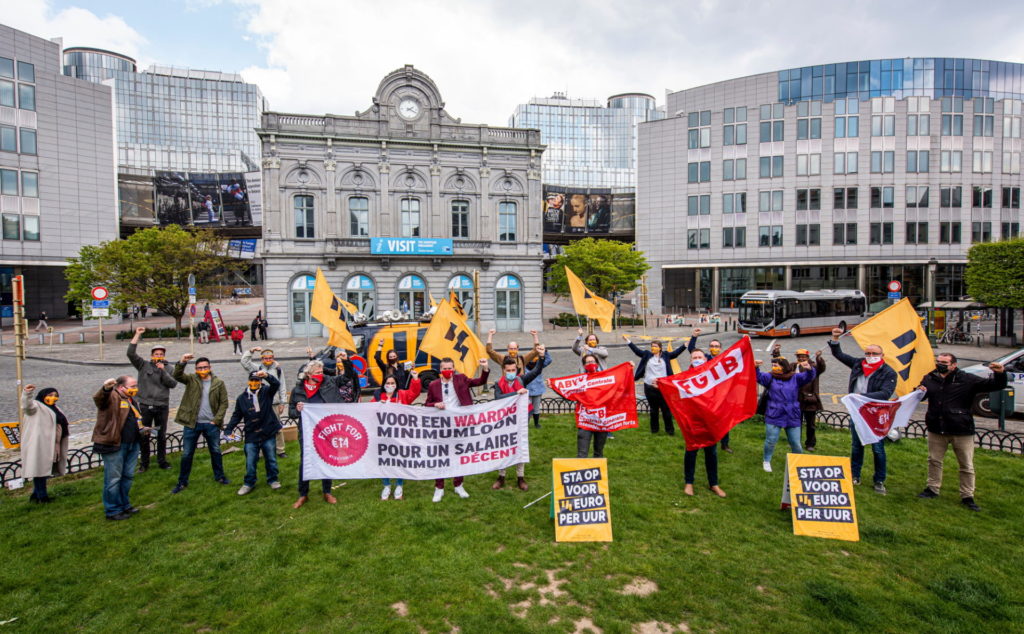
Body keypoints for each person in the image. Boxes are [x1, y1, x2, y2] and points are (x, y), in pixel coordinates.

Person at [916, 353, 1007, 511]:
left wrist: (1000, 374)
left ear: (954, 365)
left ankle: (967, 495)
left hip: (961, 428)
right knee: (934, 460)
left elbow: (994, 385)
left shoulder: (967, 379)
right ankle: (932, 488)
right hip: (937, 427)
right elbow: (921, 395)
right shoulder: (930, 378)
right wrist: (919, 390)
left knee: (966, 464)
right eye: (938, 361)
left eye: (944, 362)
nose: (940, 364)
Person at [828, 328, 897, 494]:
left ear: (882, 355)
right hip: (858, 412)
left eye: (874, 353)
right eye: (868, 352)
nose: (870, 355)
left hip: (875, 415)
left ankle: (879, 480)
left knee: (878, 449)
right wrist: (835, 338)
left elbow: (886, 393)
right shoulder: (859, 364)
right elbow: (840, 355)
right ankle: (854, 475)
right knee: (856, 446)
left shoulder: (888, 372)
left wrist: (862, 396)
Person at [425, 357, 489, 502]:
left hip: (460, 425)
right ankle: (439, 488)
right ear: (440, 370)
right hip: (441, 425)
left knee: (459, 455)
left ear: (454, 369)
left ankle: (458, 484)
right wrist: (435, 404)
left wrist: (485, 368)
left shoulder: (461, 379)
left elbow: (480, 382)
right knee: (440, 456)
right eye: (444, 368)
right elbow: (426, 404)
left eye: (450, 368)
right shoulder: (433, 385)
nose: (447, 371)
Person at [170, 354, 229, 494]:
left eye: (205, 367)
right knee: (187, 454)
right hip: (192, 423)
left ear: (210, 368)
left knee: (215, 450)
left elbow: (224, 403)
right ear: (196, 369)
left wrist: (217, 420)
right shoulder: (191, 379)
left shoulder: (218, 383)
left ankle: (220, 476)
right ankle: (182, 482)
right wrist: (182, 362)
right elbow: (177, 375)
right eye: (199, 368)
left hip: (211, 424)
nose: (202, 369)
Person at [490, 355, 549, 491]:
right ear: (503, 370)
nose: (511, 372)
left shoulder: (521, 380)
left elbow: (536, 371)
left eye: (513, 370)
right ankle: (501, 476)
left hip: (519, 420)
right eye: (508, 370)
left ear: (516, 370)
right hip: (505, 421)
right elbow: (498, 398)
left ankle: (520, 477)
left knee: (520, 446)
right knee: (503, 448)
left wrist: (540, 357)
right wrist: (516, 393)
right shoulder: (499, 384)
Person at [92, 375, 145, 520]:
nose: (135, 389)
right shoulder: (112, 397)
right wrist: (106, 388)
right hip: (115, 443)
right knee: (113, 478)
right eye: (132, 386)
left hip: (132, 443)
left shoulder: (130, 399)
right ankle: (113, 510)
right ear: (121, 387)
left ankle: (124, 504)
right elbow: (100, 400)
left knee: (127, 475)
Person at [126, 327, 177, 471]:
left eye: (161, 354)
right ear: (151, 355)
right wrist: (137, 334)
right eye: (156, 353)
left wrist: (162, 370)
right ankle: (144, 463)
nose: (158, 355)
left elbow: (172, 384)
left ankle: (162, 461)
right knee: (144, 435)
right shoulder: (143, 365)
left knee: (161, 435)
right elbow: (130, 353)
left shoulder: (169, 368)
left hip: (162, 406)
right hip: (145, 406)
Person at [224, 370, 282, 495]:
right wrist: (229, 429)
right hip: (252, 433)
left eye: (257, 380)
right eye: (252, 380)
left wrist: (267, 375)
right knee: (250, 460)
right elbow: (236, 415)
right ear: (248, 381)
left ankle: (273, 479)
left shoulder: (266, 392)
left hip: (267, 431)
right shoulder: (242, 398)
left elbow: (276, 384)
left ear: (261, 382)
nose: (254, 382)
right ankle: (249, 483)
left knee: (271, 458)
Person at [289, 360, 337, 508]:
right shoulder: (298, 390)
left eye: (321, 372)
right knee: (306, 461)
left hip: (325, 430)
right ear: (308, 375)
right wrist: (297, 409)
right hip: (307, 431)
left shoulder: (326, 385)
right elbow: (291, 413)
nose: (320, 375)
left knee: (326, 458)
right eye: (317, 373)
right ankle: (303, 494)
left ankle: (327, 491)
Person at [757, 357, 817, 473]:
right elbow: (758, 377)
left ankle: (798, 463)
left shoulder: (795, 377)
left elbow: (809, 377)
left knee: (795, 442)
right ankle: (766, 460)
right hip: (774, 413)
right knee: (771, 440)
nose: (774, 367)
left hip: (792, 414)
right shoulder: (770, 377)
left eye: (777, 365)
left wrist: (809, 369)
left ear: (784, 366)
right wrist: (755, 367)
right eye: (773, 365)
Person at [680, 349, 726, 497]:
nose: (697, 359)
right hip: (692, 421)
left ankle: (714, 484)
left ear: (705, 359)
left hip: (709, 420)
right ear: (690, 360)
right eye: (695, 357)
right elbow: (673, 389)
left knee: (711, 453)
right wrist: (659, 385)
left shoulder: (713, 376)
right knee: (691, 452)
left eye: (700, 357)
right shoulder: (685, 377)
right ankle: (689, 483)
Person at [624, 335, 688, 435]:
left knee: (666, 410)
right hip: (649, 387)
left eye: (655, 346)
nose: (653, 348)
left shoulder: (666, 355)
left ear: (660, 348)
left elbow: (676, 353)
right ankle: (654, 430)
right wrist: (628, 341)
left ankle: (670, 430)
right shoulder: (646, 355)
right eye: (652, 346)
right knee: (653, 410)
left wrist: (684, 345)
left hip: (663, 387)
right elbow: (636, 351)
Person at [373, 371, 422, 500]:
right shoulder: (378, 396)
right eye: (388, 383)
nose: (390, 385)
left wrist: (415, 379)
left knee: (399, 459)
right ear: (384, 384)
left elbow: (414, 392)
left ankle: (399, 485)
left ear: (396, 384)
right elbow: (369, 411)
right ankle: (386, 485)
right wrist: (377, 406)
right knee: (384, 461)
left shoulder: (402, 395)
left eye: (392, 383)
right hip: (383, 435)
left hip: (400, 434)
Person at [20, 385, 69, 503]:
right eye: (50, 395)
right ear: (43, 396)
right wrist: (27, 393)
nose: (53, 398)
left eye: (55, 396)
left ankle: (35, 495)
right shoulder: (36, 406)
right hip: (39, 445)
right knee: (39, 470)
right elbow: (27, 406)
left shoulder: (55, 408)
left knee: (43, 470)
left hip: (52, 444)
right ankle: (42, 496)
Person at [688, 328, 732, 452]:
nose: (714, 348)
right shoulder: (705, 358)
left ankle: (725, 444)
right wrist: (694, 336)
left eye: (716, 346)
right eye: (712, 346)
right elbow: (692, 350)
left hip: (721, 395)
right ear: (709, 348)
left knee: (724, 421)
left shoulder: (725, 359)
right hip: (706, 395)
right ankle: (705, 441)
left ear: (720, 348)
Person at [241, 346, 289, 457]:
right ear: (262, 359)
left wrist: (283, 402)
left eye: (270, 358)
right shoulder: (256, 368)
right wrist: (251, 351)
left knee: (277, 427)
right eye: (265, 358)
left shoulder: (278, 369)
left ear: (273, 358)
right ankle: (262, 451)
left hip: (274, 403)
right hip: (260, 403)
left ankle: (280, 450)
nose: (268, 360)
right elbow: (244, 362)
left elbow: (282, 386)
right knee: (260, 427)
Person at [795, 348, 826, 452]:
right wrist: (777, 353)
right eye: (799, 356)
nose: (801, 358)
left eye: (803, 356)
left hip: (810, 400)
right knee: (796, 424)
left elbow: (822, 367)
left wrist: (818, 358)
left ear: (808, 357)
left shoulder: (814, 367)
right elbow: (782, 366)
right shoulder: (795, 366)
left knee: (811, 425)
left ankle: (810, 444)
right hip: (797, 400)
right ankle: (796, 442)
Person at [524, 344, 552, 429]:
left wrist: (545, 351)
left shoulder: (539, 364)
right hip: (527, 390)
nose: (533, 358)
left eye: (535, 356)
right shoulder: (524, 365)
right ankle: (526, 424)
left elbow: (549, 360)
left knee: (536, 408)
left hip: (538, 389)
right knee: (527, 409)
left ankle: (536, 424)